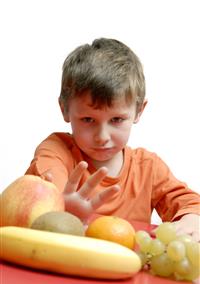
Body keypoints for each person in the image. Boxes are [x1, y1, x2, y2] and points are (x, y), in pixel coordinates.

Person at [25, 38, 200, 241]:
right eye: (88, 119)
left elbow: (187, 201)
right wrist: (62, 208)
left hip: (130, 270)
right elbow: (49, 193)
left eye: (116, 119)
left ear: (138, 111)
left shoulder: (148, 168)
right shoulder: (56, 151)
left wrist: (192, 218)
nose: (102, 137)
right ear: (64, 109)